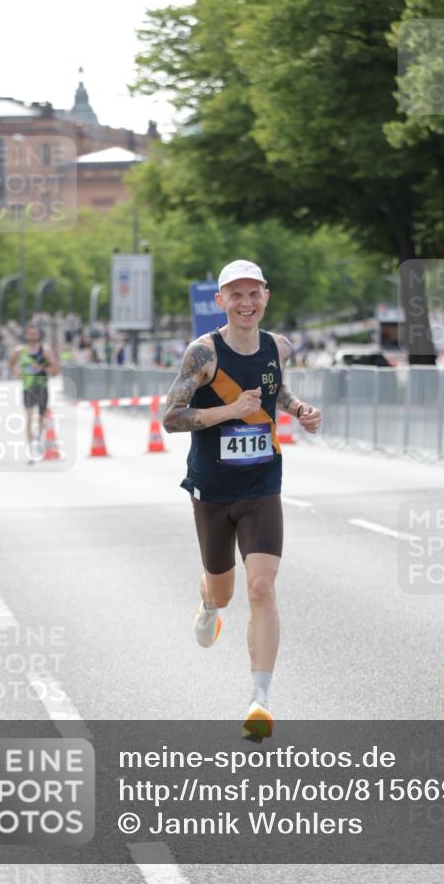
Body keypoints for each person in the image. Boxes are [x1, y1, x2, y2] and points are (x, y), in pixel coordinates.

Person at [163, 259, 322, 740]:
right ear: (221, 302)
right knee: (225, 592)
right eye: (236, 295)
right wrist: (229, 411)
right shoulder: (202, 354)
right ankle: (207, 603)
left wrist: (298, 410)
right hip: (212, 490)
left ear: (266, 297)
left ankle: (260, 699)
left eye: (254, 294)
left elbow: (273, 386)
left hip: (261, 486)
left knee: (262, 587)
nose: (246, 303)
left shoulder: (279, 346)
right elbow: (170, 417)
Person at [9, 323, 59, 462]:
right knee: (29, 417)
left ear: (38, 335)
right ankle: (31, 446)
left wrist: (47, 368)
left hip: (42, 387)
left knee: (41, 419)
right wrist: (17, 372)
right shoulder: (20, 350)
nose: (32, 336)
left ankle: (38, 440)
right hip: (28, 388)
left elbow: (55, 370)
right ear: (26, 335)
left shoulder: (45, 350)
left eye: (35, 334)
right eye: (30, 334)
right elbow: (11, 364)